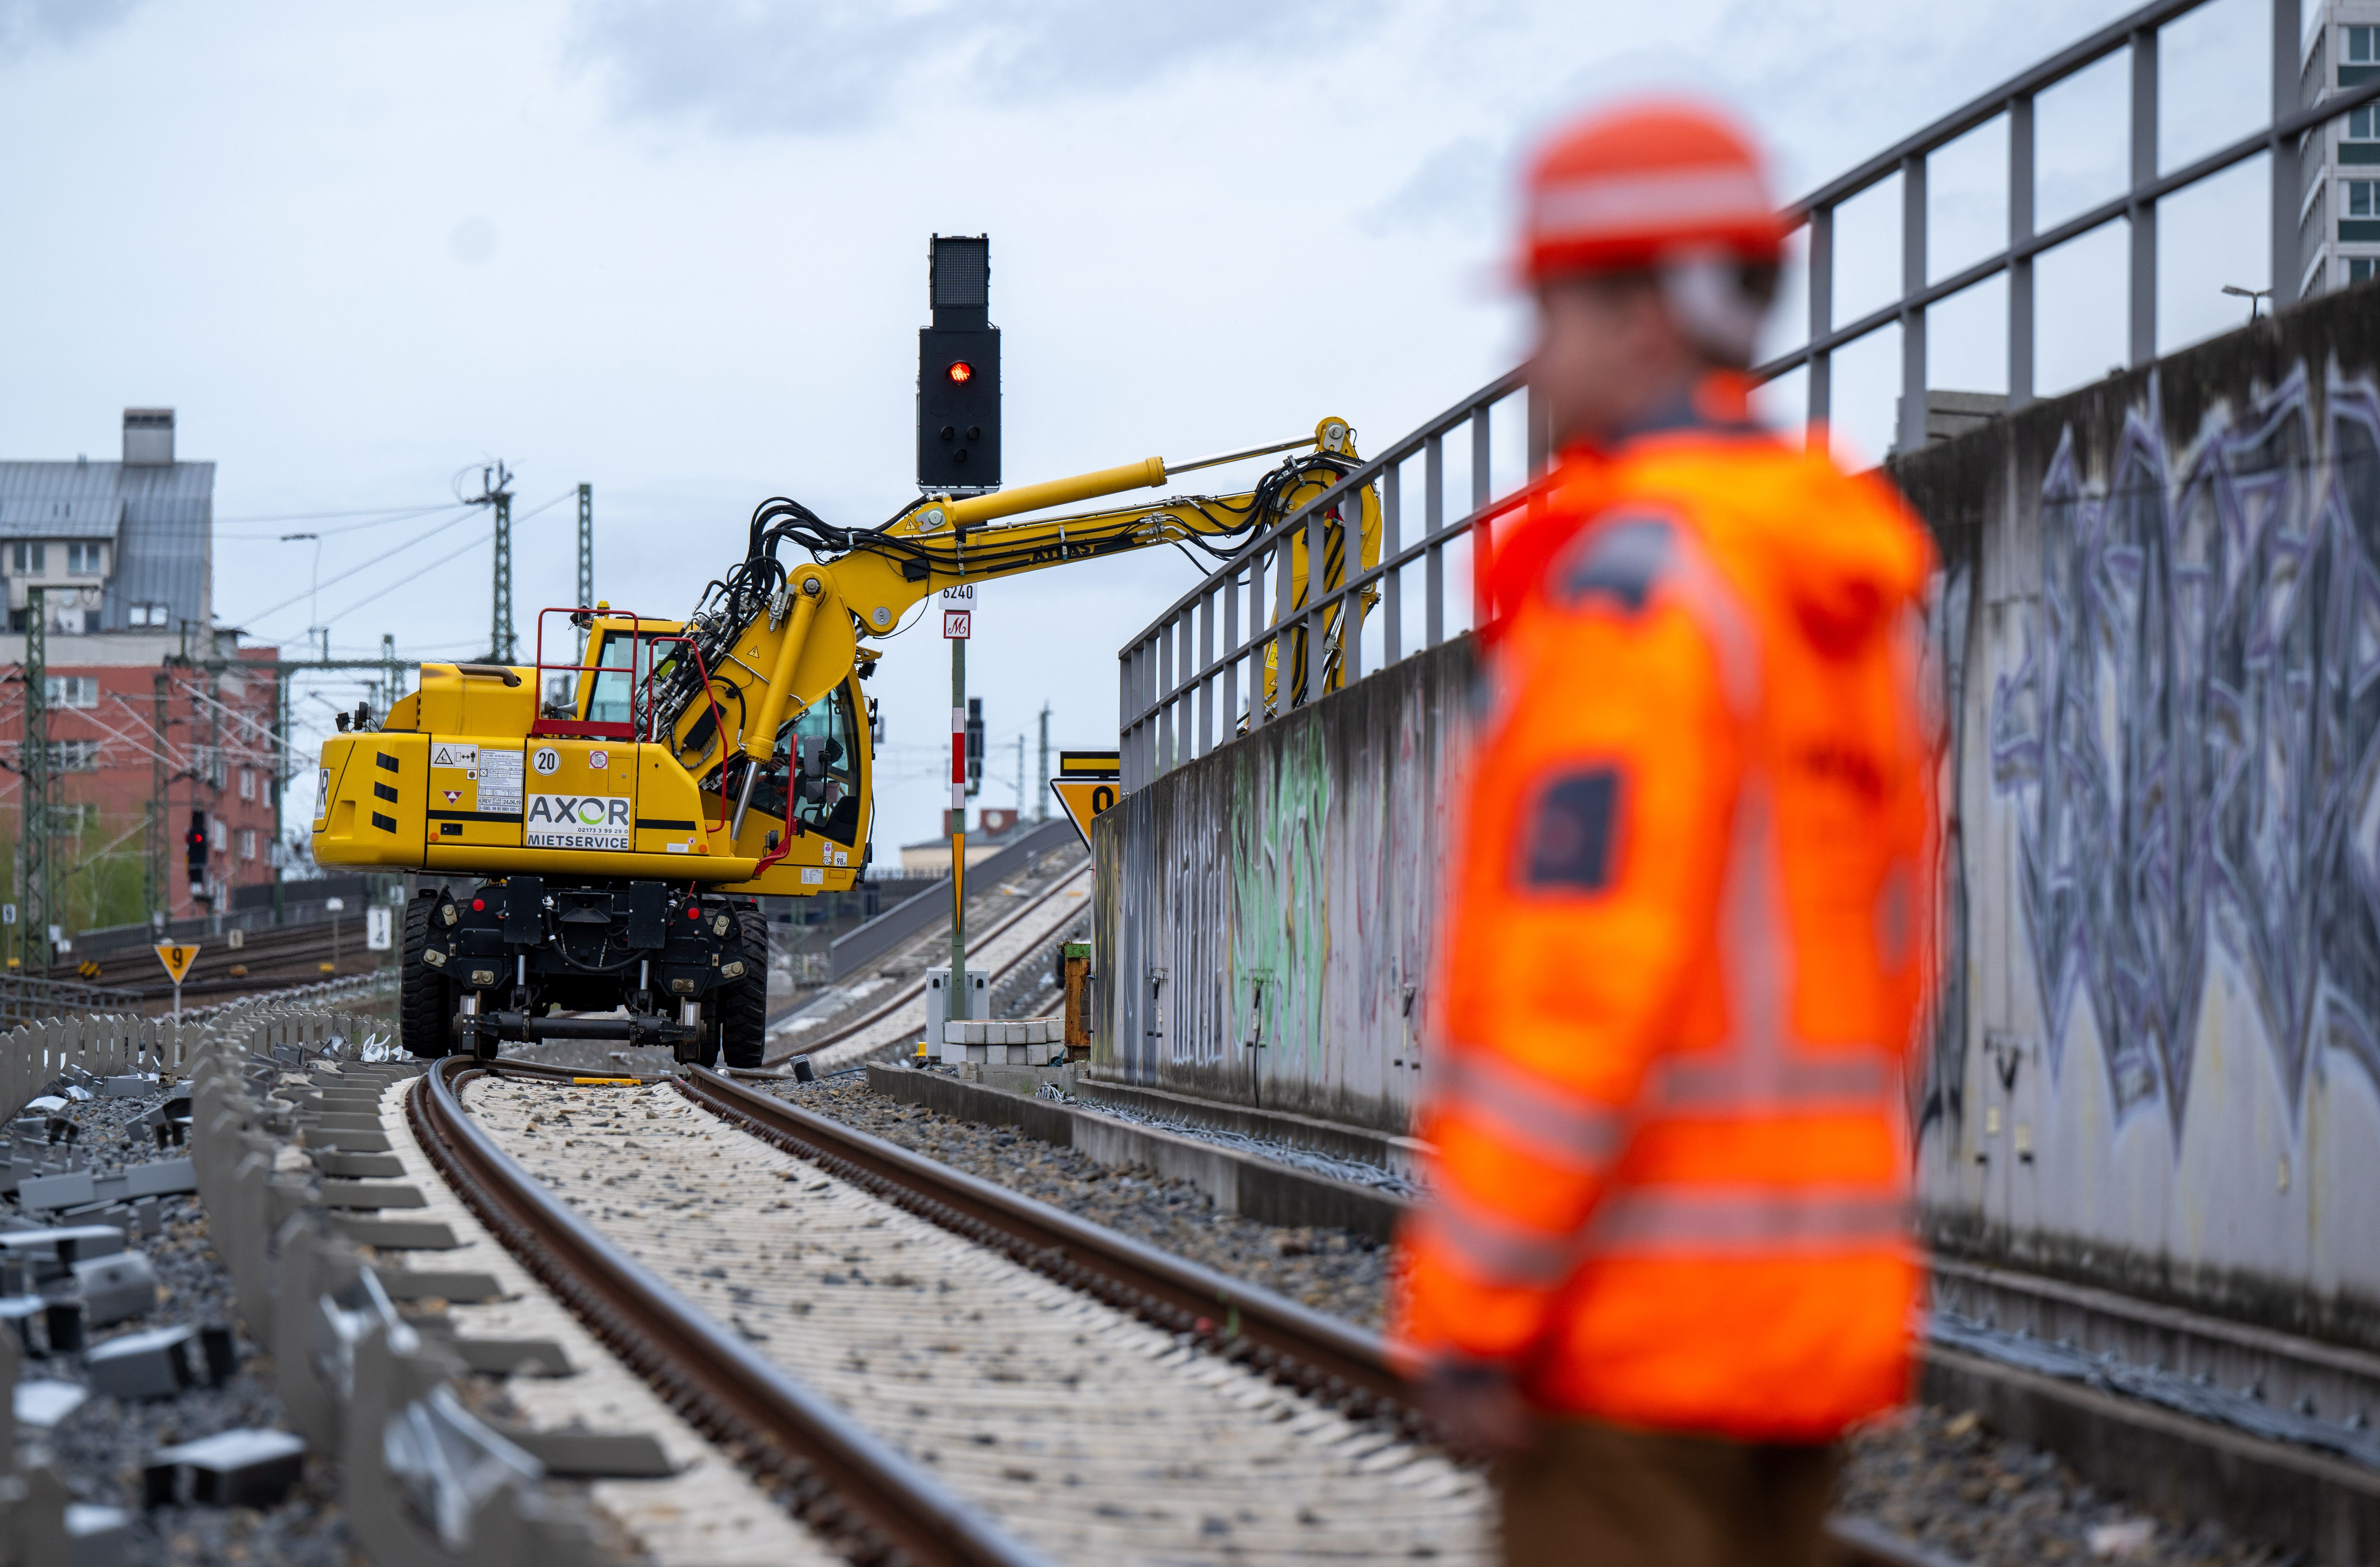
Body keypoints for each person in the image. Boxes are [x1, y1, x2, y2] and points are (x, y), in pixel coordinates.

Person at [1391, 98, 1939, 1567]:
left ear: (1646, 312)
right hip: (1809, 1321)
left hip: (1631, 1328)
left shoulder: (1637, 595)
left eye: (1548, 308)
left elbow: (1584, 986)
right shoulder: (1840, 591)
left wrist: (1478, 1303)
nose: (1530, 355)